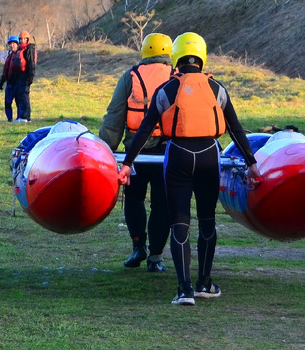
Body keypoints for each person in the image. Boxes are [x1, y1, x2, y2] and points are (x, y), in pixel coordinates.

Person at [121, 32, 257, 306]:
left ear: (176, 57)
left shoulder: (166, 90)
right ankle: (204, 283)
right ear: (202, 57)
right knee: (207, 221)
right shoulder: (217, 88)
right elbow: (235, 128)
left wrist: (127, 163)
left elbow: (145, 129)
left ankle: (184, 290)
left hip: (178, 156)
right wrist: (251, 163)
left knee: (180, 222)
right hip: (209, 156)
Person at [98, 33, 174, 273]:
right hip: (167, 154)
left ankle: (137, 246)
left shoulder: (130, 77)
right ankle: (156, 257)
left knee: (133, 199)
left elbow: (114, 117)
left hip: (135, 154)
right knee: (163, 205)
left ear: (144, 52)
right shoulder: (177, 77)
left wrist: (105, 149)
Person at [0, 35, 29, 122]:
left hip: (18, 83)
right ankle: (10, 119)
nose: (12, 45)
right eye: (11, 44)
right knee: (7, 103)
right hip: (10, 83)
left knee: (19, 102)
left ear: (18, 44)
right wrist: (2, 82)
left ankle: (19, 118)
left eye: (14, 43)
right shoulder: (9, 56)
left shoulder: (21, 54)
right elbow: (6, 71)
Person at [17, 30, 36, 121]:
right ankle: (23, 116)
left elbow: (31, 64)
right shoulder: (21, 49)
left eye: (24, 39)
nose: (21, 41)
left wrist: (30, 77)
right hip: (21, 75)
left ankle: (26, 117)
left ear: (27, 39)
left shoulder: (29, 49)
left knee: (24, 96)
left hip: (26, 76)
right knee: (21, 96)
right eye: (20, 39)